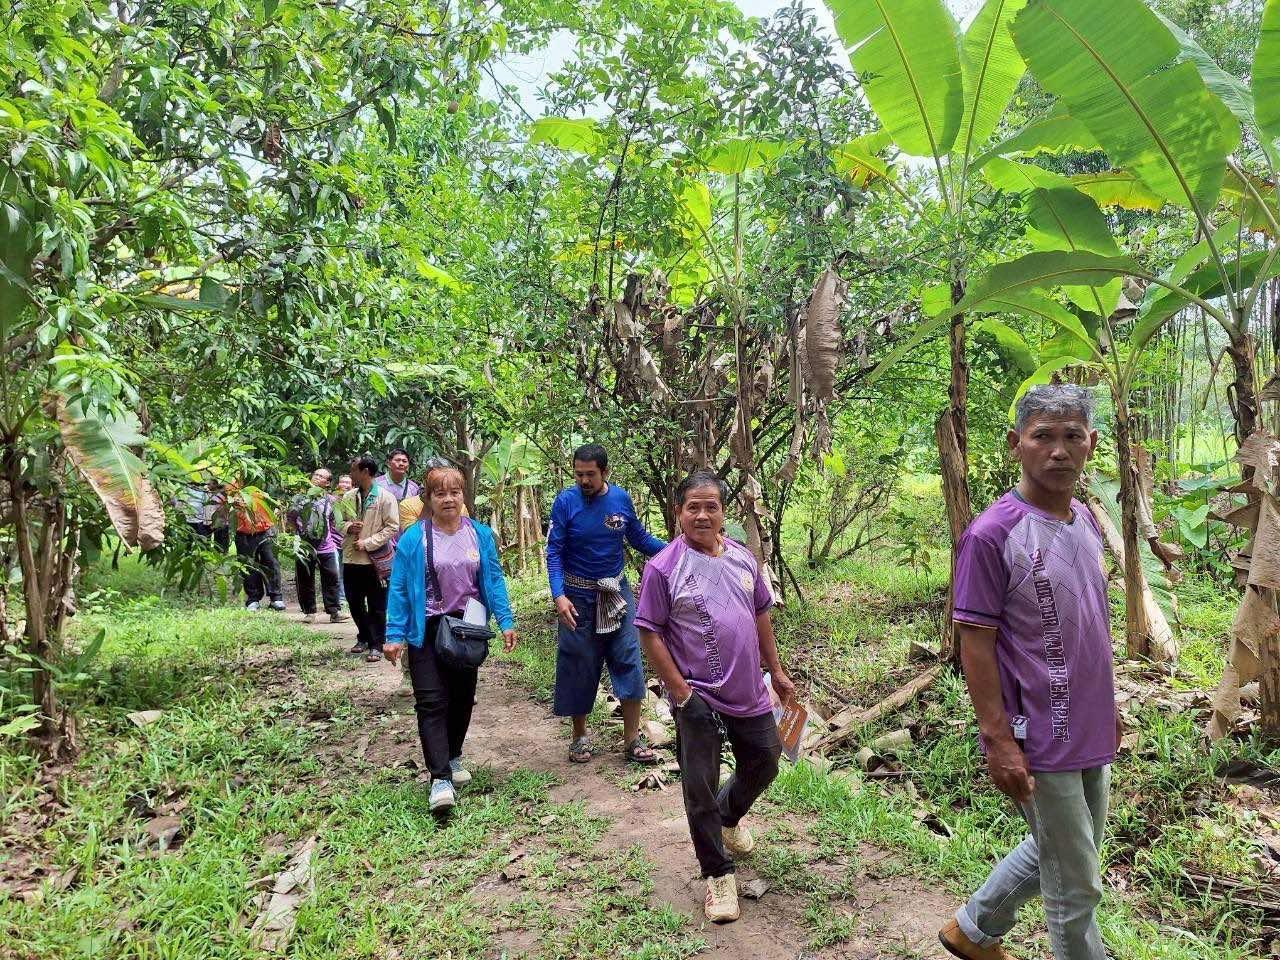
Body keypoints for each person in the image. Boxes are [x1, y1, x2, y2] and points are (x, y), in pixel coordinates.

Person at [939, 385, 1120, 960]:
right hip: (1037, 731)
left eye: (1072, 437)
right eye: (1044, 436)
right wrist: (997, 739)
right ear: (1017, 444)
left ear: (1090, 444)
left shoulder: (1087, 520)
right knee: (1077, 882)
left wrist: (1110, 710)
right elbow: (975, 640)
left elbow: (1089, 627)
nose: (1059, 451)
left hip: (1090, 722)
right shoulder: (993, 534)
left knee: (1066, 851)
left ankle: (972, 930)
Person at [636, 470, 795, 924]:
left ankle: (728, 819)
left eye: (711, 506)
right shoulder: (664, 567)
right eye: (693, 507)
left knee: (765, 758)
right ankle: (717, 874)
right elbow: (650, 632)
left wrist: (776, 671)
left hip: (747, 687)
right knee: (699, 784)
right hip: (697, 694)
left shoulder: (744, 559)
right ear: (679, 512)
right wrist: (681, 693)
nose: (702, 515)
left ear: (724, 512)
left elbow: (761, 614)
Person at [385, 463, 517, 813]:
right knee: (431, 701)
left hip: (467, 627)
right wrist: (394, 634)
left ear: (464, 495)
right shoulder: (414, 538)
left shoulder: (480, 534)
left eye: (455, 492)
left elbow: (494, 579)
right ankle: (439, 778)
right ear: (427, 499)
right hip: (426, 627)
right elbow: (398, 587)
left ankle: (454, 756)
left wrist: (505, 620)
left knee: (461, 698)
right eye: (440, 493)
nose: (448, 499)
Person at [545, 443, 666, 764]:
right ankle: (579, 737)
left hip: (616, 593)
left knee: (628, 658)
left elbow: (639, 539)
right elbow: (554, 552)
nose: (584, 481)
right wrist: (559, 595)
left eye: (591, 475)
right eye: (579, 475)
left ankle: (632, 740)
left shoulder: (620, 500)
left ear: (605, 472)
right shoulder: (564, 503)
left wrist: (676, 549)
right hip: (575, 596)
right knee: (579, 663)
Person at [340, 456, 399, 662]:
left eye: (354, 469)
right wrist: (349, 527)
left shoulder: (385, 497)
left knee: (377, 604)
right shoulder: (348, 496)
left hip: (373, 561)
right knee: (354, 601)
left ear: (365, 472)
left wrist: (368, 542)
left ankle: (377, 643)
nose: (351, 473)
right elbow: (339, 522)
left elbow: (392, 526)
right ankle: (363, 636)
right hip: (351, 559)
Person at [287, 467, 347, 625]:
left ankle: (334, 611)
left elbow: (335, 522)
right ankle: (309, 612)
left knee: (332, 576)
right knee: (305, 578)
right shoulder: (299, 499)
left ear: (327, 483)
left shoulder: (331, 500)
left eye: (322, 477)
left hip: (326, 545)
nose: (317, 478)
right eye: (316, 475)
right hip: (304, 544)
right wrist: (299, 533)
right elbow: (291, 518)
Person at [230, 481, 285, 611]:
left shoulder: (263, 480)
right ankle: (253, 599)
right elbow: (226, 500)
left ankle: (276, 598)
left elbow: (278, 499)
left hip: (266, 529)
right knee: (248, 565)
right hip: (243, 531)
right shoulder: (232, 482)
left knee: (271, 562)